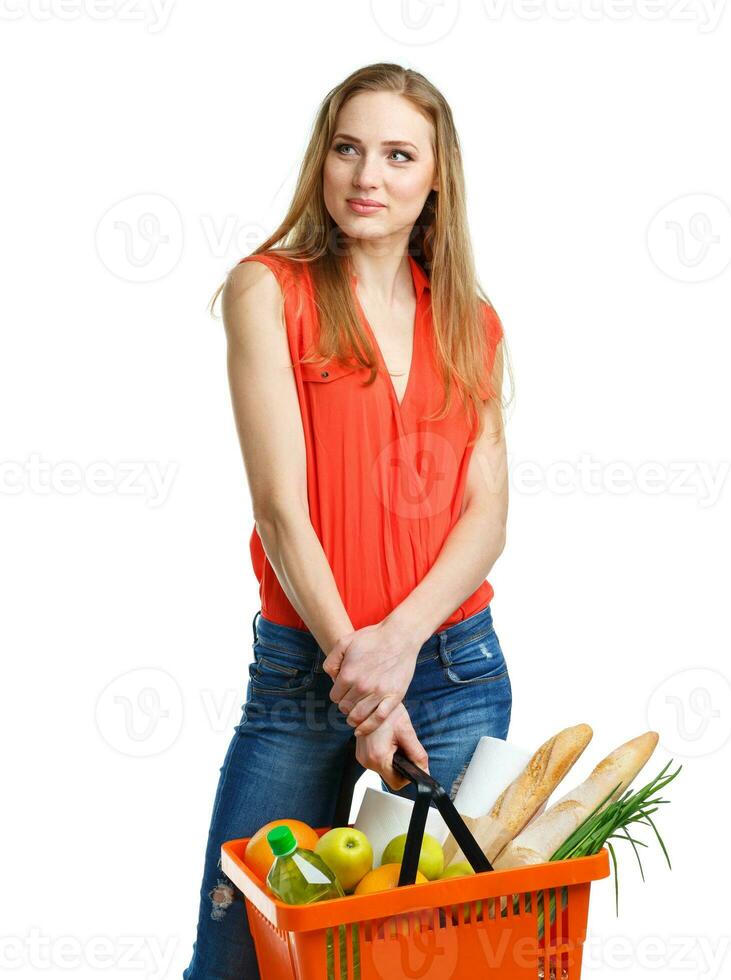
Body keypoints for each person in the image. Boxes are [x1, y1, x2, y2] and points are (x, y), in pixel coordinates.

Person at [183, 61, 514, 979]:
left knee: (423, 964)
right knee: (234, 957)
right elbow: (281, 510)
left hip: (452, 670)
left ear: (435, 177)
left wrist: (398, 647)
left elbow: (485, 516)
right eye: (348, 149)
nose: (368, 177)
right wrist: (357, 676)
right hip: (301, 676)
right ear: (321, 162)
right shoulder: (268, 291)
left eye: (398, 155)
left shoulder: (470, 322)